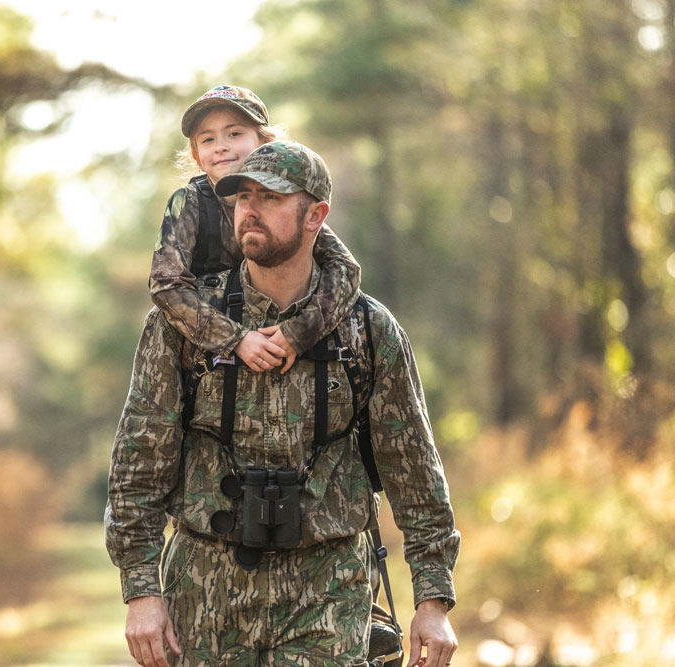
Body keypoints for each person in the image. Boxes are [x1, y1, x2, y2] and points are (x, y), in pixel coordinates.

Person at [105, 140, 460, 667]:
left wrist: (432, 601)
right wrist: (141, 591)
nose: (249, 208)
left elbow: (414, 473)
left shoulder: (367, 328)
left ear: (316, 215)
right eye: (242, 196)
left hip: (329, 595)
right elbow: (139, 463)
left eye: (269, 198)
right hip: (204, 594)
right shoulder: (183, 326)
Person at [149, 85, 361, 373]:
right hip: (213, 346)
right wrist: (235, 339)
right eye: (207, 139)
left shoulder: (288, 203)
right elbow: (166, 285)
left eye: (234, 134)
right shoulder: (190, 203)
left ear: (264, 143)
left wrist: (298, 333)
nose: (221, 146)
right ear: (197, 156)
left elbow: (345, 269)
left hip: (279, 327)